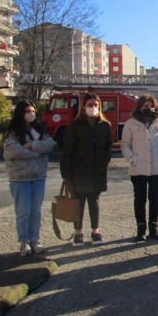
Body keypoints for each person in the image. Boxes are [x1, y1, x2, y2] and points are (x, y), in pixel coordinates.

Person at [60, 93, 112, 247]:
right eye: (90, 105)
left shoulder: (105, 125)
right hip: (79, 172)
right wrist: (66, 173)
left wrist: (104, 161)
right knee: (79, 203)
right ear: (83, 106)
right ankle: (78, 233)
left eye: (96, 105)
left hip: (97, 171)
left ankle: (95, 232)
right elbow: (67, 151)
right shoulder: (74, 127)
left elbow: (108, 147)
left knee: (94, 201)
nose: (93, 108)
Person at [3, 101, 54, 256]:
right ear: (20, 113)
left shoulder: (39, 130)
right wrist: (37, 152)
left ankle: (34, 240)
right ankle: (23, 242)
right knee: (23, 212)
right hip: (20, 177)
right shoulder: (12, 133)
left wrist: (31, 146)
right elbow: (15, 151)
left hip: (39, 176)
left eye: (33, 111)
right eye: (27, 111)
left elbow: (49, 144)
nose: (31, 114)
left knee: (36, 211)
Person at [121, 95, 158, 242]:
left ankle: (153, 227)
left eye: (151, 106)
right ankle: (141, 227)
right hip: (138, 167)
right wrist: (132, 159)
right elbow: (125, 144)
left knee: (155, 198)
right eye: (145, 106)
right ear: (139, 108)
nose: (148, 109)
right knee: (140, 198)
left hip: (157, 167)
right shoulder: (131, 124)